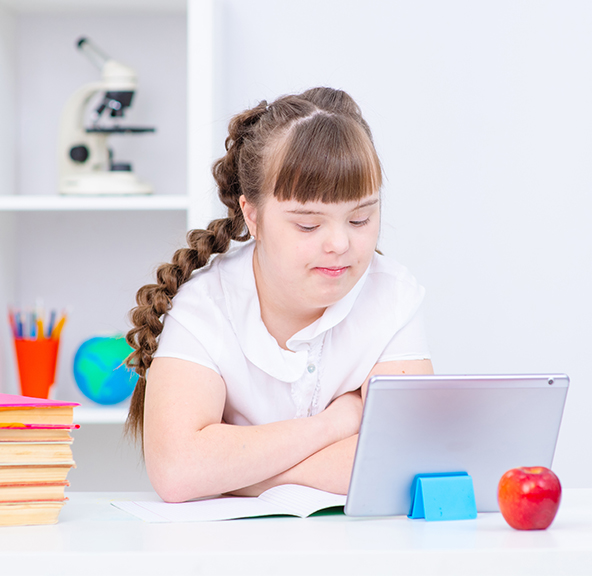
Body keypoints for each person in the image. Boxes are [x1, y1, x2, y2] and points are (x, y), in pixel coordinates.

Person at [125, 87, 432, 503]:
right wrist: (336, 423)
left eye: (360, 218)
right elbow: (177, 470)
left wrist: (235, 473)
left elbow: (405, 460)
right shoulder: (205, 307)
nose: (340, 243)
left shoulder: (390, 295)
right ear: (253, 216)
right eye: (308, 225)